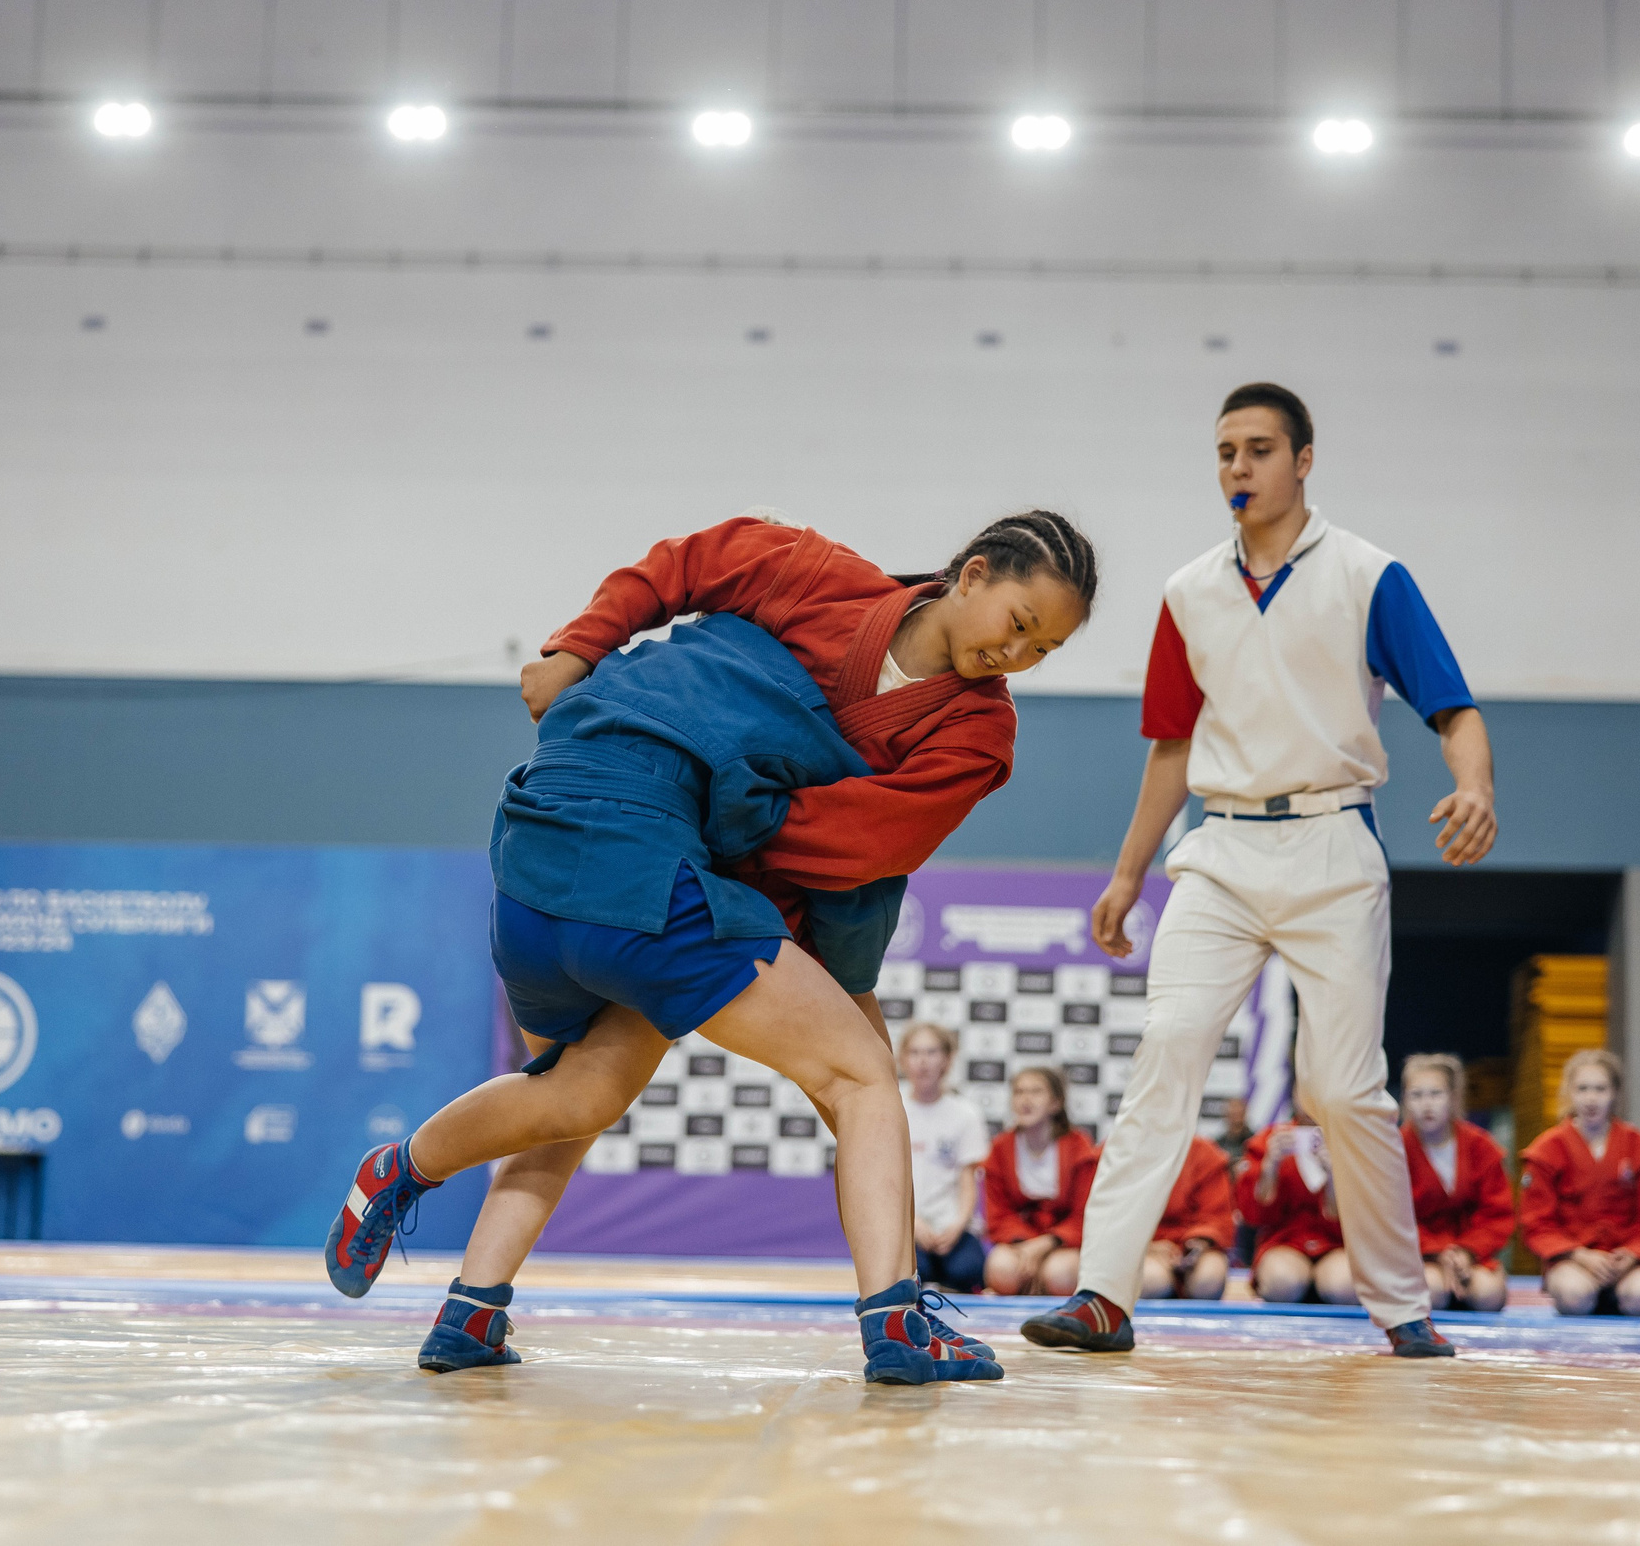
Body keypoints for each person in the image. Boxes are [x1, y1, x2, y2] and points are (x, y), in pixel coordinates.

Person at [325, 511, 1097, 1384]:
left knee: (576, 1091)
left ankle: (453, 1276)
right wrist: (577, 647)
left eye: (1044, 652)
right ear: (974, 574)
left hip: (539, 840)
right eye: (1019, 624)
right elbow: (684, 566)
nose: (1017, 657)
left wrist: (587, 665)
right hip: (653, 856)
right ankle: (896, 1324)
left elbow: (869, 845)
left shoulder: (960, 722)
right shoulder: (817, 575)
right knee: (862, 1073)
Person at [1021, 381, 1497, 1362]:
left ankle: (1400, 1305)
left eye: (1257, 450)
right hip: (1221, 849)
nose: (1236, 468)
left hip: (1333, 844)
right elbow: (1166, 748)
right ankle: (1103, 1295)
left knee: (1344, 1087)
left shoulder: (1369, 574)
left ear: (1304, 459)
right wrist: (1125, 879)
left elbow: (1452, 706)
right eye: (1224, 452)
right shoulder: (1186, 590)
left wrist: (1475, 787)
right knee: (1167, 1045)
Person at [1521, 1049, 1640, 1318]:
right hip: (1571, 1260)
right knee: (1574, 1294)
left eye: (1600, 1089)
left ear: (1614, 1093)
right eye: (1582, 1089)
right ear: (1569, 1092)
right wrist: (1579, 1256)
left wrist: (1633, 1254)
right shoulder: (1546, 1151)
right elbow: (1537, 1224)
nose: (1591, 1099)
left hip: (1626, 1261)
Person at [1400, 1053, 1512, 1315]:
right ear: (1404, 1100)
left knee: (1489, 1295)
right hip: (1417, 1254)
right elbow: (1390, 1218)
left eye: (1436, 1094)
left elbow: (1497, 1214)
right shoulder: (1394, 1150)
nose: (1426, 1105)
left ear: (1453, 1097)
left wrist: (1467, 1252)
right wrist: (1437, 1252)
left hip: (1470, 1251)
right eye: (1417, 1095)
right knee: (1431, 1292)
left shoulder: (1482, 1147)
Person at [983, 1066, 1099, 1298]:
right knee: (1000, 1269)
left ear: (1056, 1103)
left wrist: (1046, 1244)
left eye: (1036, 1092)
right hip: (1020, 1241)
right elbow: (997, 1214)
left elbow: (1086, 1214)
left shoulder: (1079, 1146)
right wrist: (1027, 1246)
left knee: (1061, 1274)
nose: (1026, 1100)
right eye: (1019, 1092)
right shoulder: (1001, 1147)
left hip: (1063, 1242)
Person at [901, 1022, 990, 1294]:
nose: (923, 1061)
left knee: (967, 1270)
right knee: (915, 1271)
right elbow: (886, 1181)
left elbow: (967, 1180)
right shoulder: (893, 1107)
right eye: (915, 1052)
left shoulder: (966, 1113)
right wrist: (914, 1225)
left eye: (931, 1052)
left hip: (951, 1226)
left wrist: (958, 1225)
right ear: (902, 1059)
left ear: (947, 1060)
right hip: (907, 1225)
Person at [1237, 1110, 1353, 1304]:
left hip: (1337, 1243)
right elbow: (1252, 1216)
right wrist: (1270, 1166)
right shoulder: (1270, 1139)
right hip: (1283, 1242)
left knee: (1345, 1287)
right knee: (1281, 1282)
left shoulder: (1352, 1139)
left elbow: (1361, 1218)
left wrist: (1334, 1176)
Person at [1139, 1133, 1237, 1300]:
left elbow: (1217, 1217)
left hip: (1194, 1245)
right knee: (1151, 1281)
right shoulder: (1121, 1151)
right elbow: (1108, 1220)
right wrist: (1146, 1247)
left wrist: (1199, 1243)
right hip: (1141, 1247)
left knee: (1209, 1279)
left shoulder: (1205, 1153)